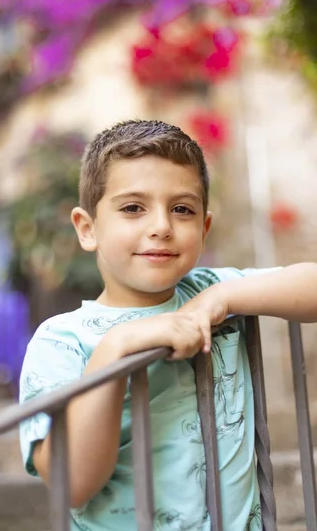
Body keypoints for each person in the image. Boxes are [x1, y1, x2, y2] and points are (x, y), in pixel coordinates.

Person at [19, 120, 317, 531]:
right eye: (132, 208)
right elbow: (72, 484)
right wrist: (116, 348)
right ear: (88, 229)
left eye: (182, 209)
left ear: (203, 228)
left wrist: (221, 299)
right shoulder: (62, 341)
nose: (161, 226)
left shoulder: (211, 289)